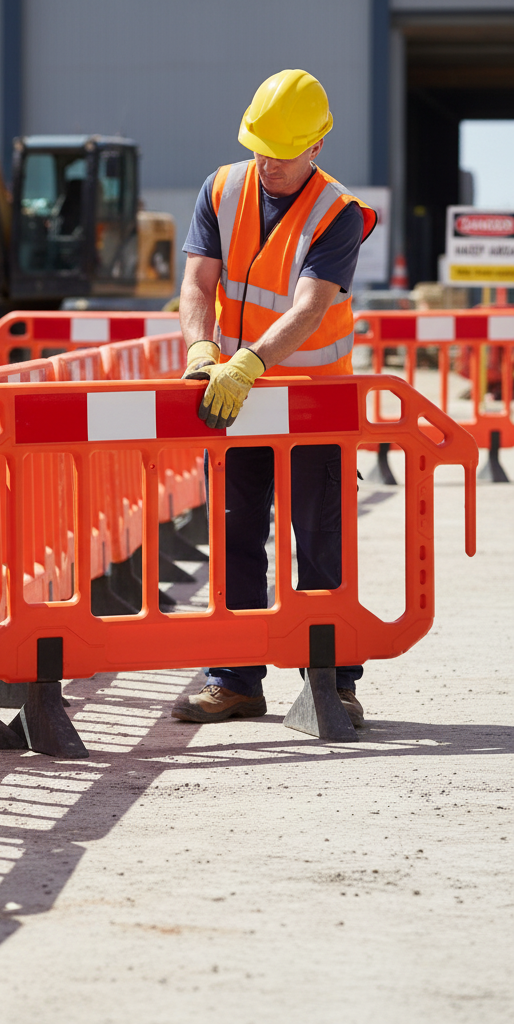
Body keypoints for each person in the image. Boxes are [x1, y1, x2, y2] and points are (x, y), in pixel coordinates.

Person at [170, 69, 377, 728]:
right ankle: (234, 680)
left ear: (317, 146)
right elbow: (197, 283)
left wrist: (251, 363)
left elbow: (311, 307)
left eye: (283, 154)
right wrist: (202, 351)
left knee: (319, 542)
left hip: (313, 401)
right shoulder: (221, 189)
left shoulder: (337, 213)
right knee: (233, 535)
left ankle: (332, 683)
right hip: (233, 397)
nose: (268, 164)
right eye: (259, 148)